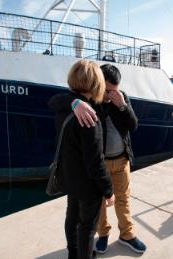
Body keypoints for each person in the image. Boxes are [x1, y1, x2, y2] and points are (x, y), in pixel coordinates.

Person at [52, 64, 147, 254]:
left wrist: (121, 105)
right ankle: (103, 235)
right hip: (100, 164)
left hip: (121, 160)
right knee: (101, 205)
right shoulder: (91, 103)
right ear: (99, 84)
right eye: (108, 90)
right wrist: (74, 103)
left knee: (123, 199)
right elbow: (56, 100)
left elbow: (133, 125)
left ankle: (127, 234)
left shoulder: (120, 98)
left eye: (115, 90)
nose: (111, 93)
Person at [49, 60, 115, 259]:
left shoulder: (66, 108)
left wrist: (74, 101)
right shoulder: (88, 116)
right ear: (96, 83)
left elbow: (53, 101)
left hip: (69, 179)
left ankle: (72, 254)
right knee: (87, 227)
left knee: (71, 218)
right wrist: (108, 190)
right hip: (87, 186)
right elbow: (95, 163)